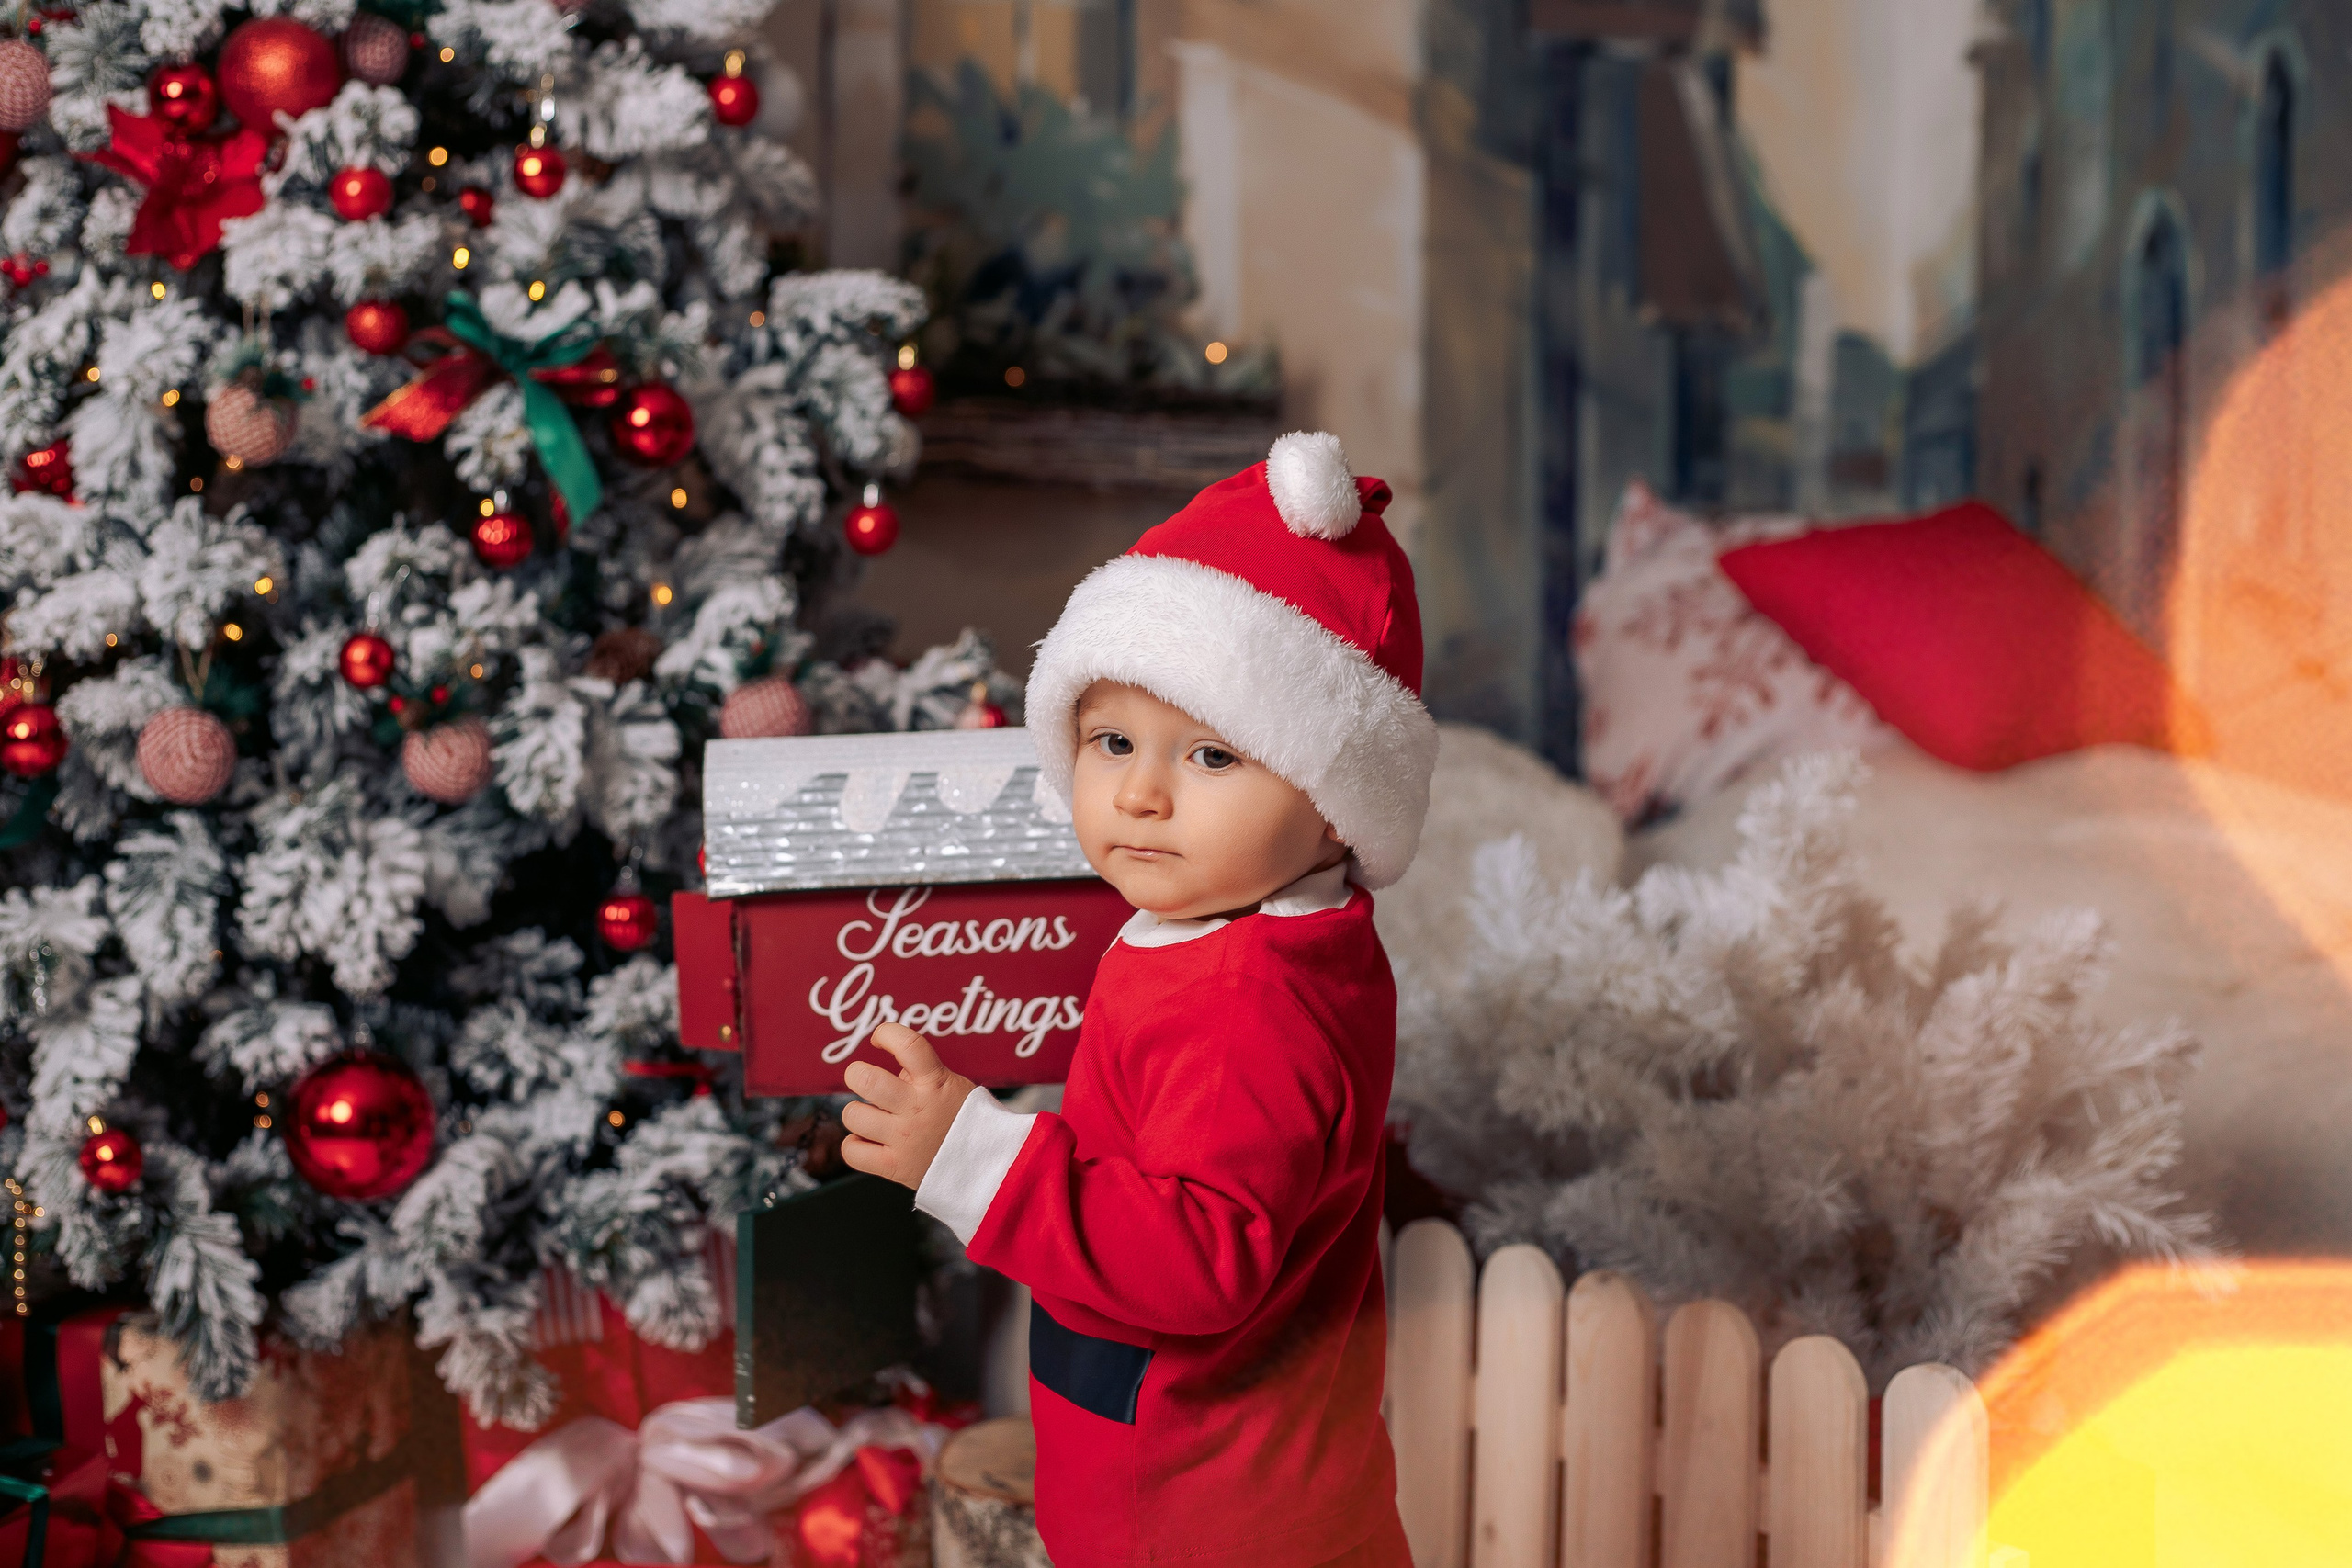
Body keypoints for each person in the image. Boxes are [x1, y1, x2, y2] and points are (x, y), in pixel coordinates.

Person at [839, 431, 1437, 1568]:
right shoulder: (1262, 929)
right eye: (1112, 740)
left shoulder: (1248, 1001)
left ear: (1333, 804)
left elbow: (1201, 1259)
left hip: (1205, 1516)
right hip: (1216, 1477)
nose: (1143, 794)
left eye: (1212, 758)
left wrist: (970, 1160)